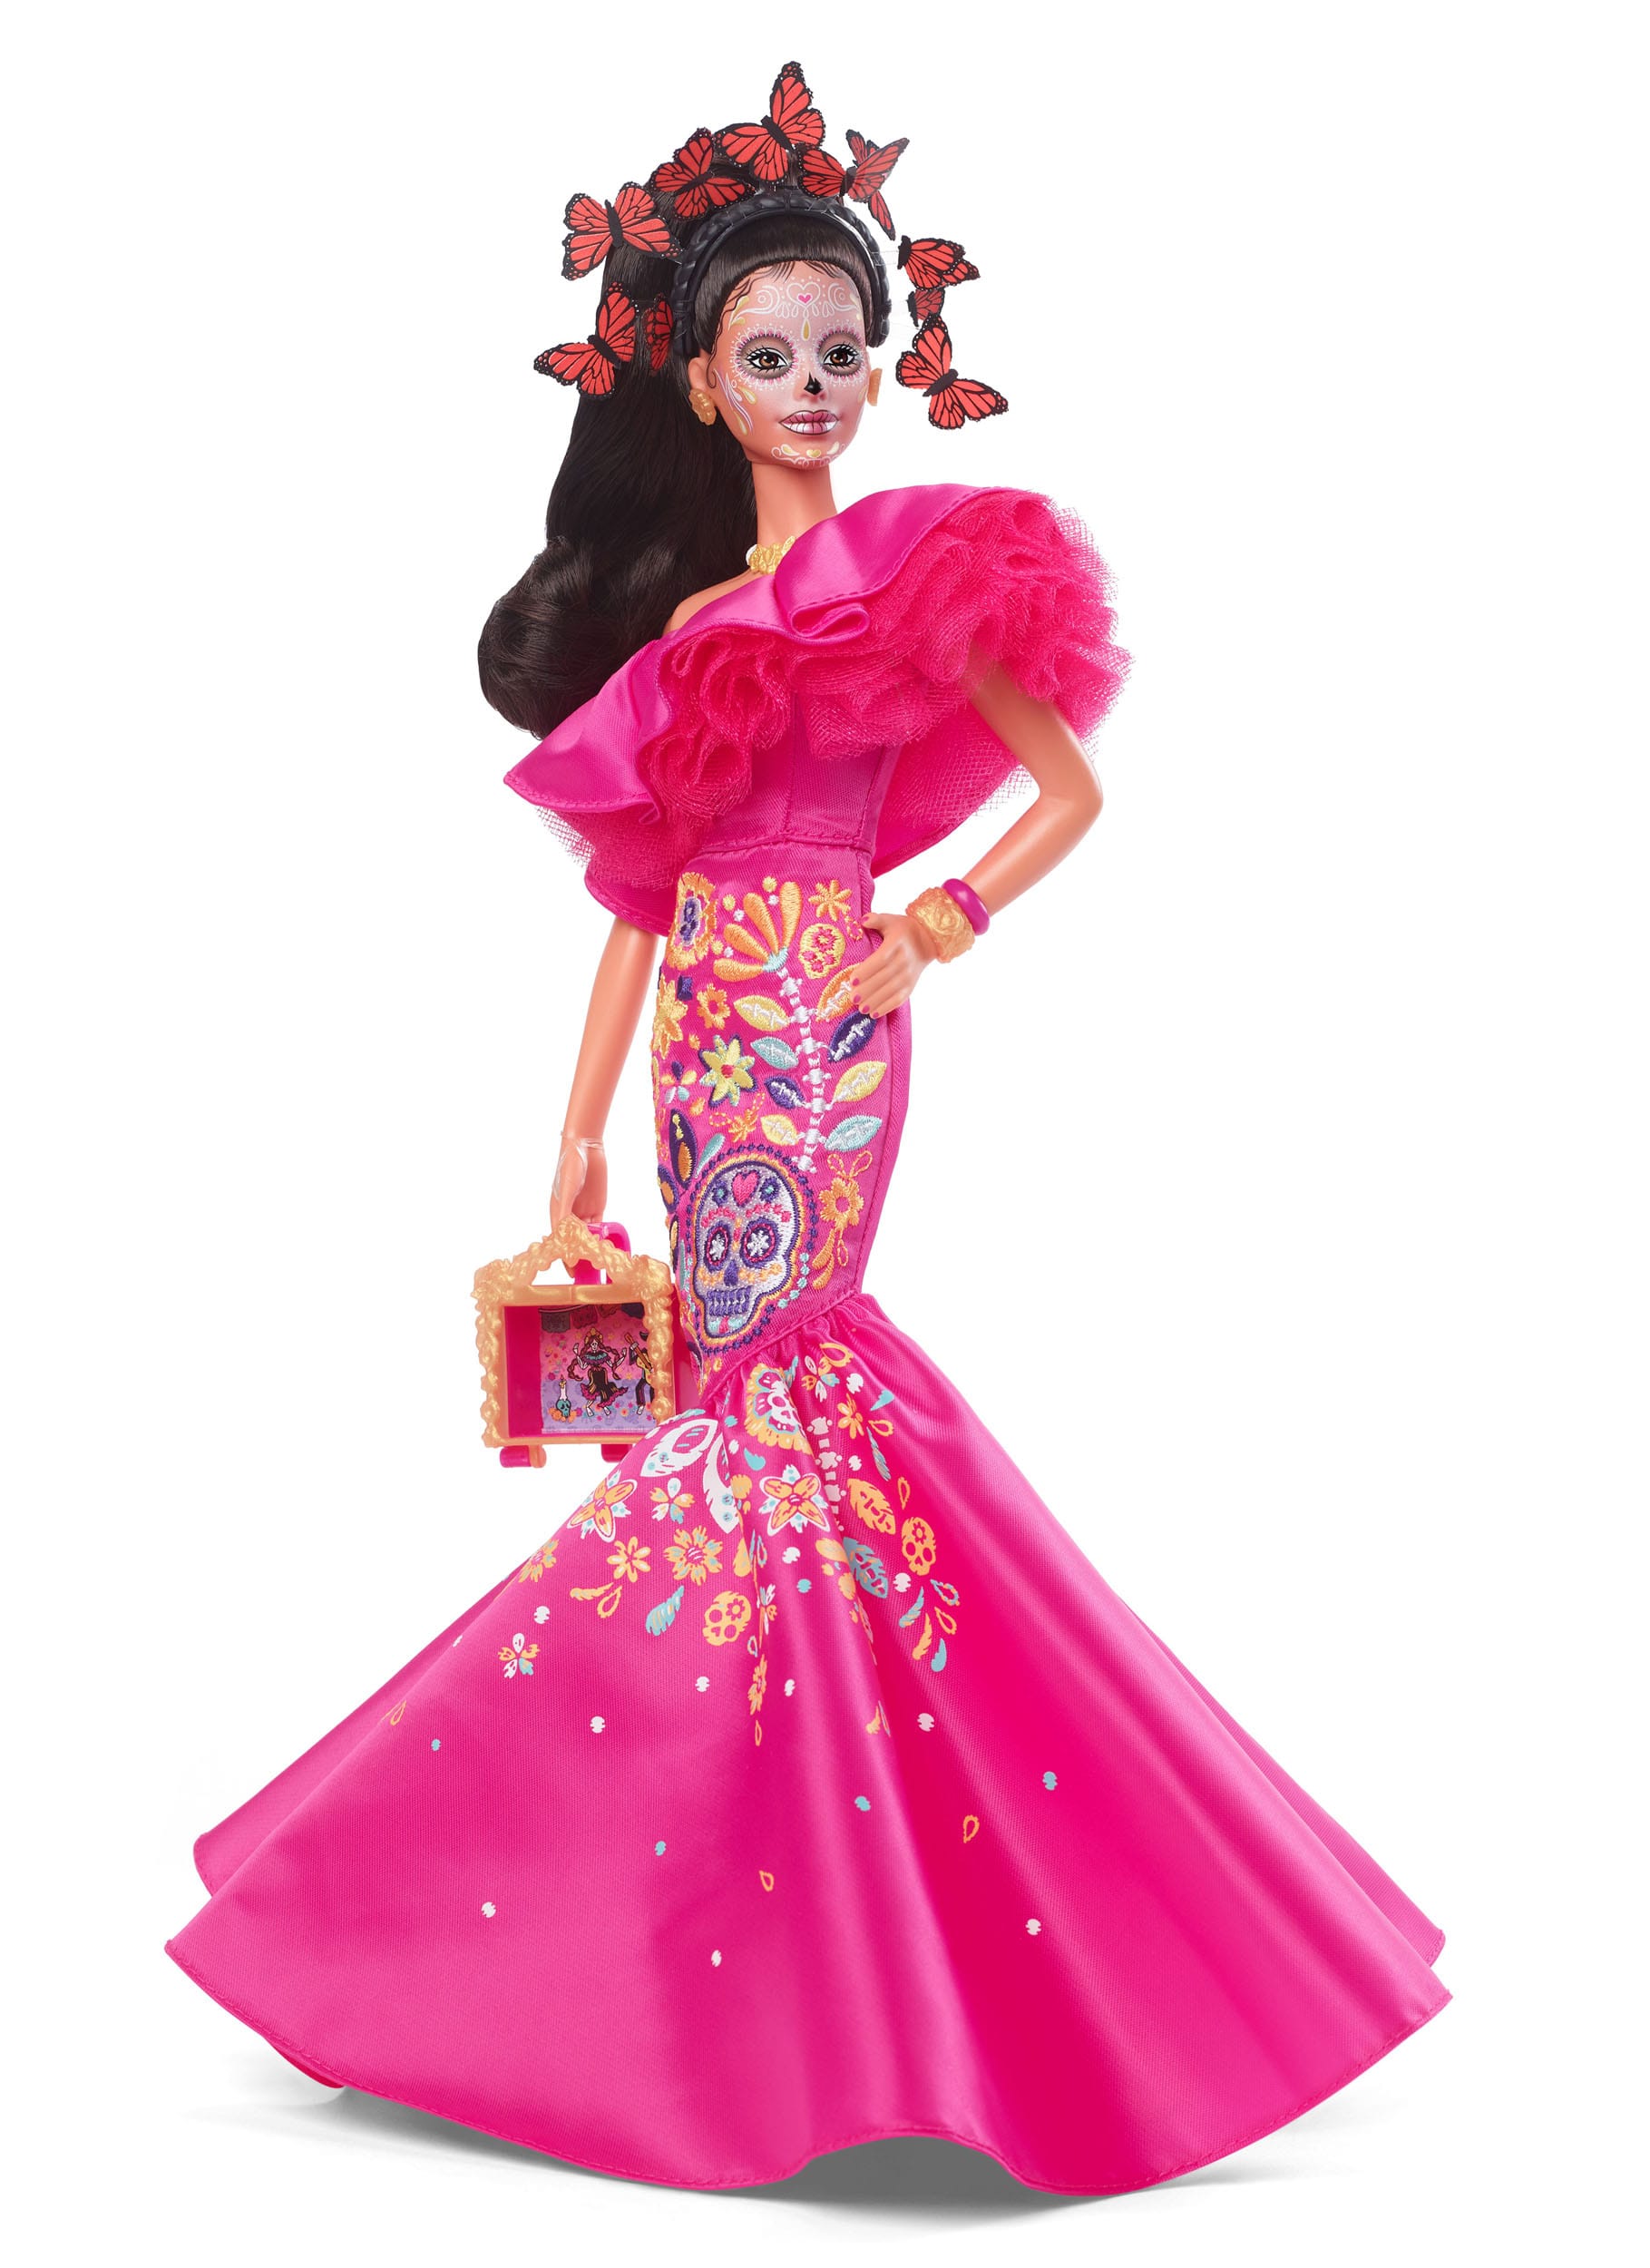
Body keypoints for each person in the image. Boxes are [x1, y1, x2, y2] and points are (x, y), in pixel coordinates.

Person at [167, 62, 1448, 2195]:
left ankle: (797, 1885)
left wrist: (927, 927)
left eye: (842, 354)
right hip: (703, 1029)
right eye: (770, 359)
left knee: (791, 1381)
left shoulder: (916, 570)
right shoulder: (694, 627)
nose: (815, 389)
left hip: (832, 1022)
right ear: (700, 381)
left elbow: (1069, 789)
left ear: (885, 364)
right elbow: (639, 891)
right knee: (726, 1411)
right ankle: (738, 1877)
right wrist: (574, 1131)